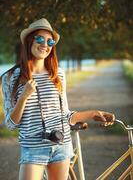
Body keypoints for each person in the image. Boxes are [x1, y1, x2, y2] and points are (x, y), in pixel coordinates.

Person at [1, 18, 115, 180]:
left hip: (61, 146)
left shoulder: (58, 74)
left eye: (50, 41)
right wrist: (24, 97)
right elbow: (11, 124)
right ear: (28, 41)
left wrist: (93, 113)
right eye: (39, 39)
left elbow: (65, 115)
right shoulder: (10, 77)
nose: (45, 44)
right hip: (33, 149)